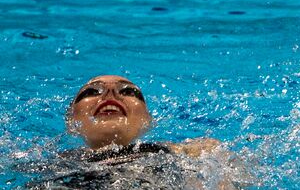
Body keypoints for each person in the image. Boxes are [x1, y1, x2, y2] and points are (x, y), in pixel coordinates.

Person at [27, 74, 249, 189]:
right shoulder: (49, 164)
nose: (111, 94)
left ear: (148, 120)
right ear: (70, 121)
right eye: (93, 91)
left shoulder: (194, 152)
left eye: (129, 91)